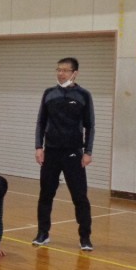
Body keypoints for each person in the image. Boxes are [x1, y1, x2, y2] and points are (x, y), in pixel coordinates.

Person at [33, 57, 95, 251]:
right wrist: (39, 147)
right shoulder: (49, 93)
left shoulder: (83, 95)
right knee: (46, 195)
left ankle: (85, 237)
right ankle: (43, 233)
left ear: (75, 73)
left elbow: (90, 125)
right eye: (58, 69)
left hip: (73, 153)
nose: (61, 73)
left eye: (65, 70)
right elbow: (41, 122)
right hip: (51, 152)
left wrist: (88, 151)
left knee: (80, 197)